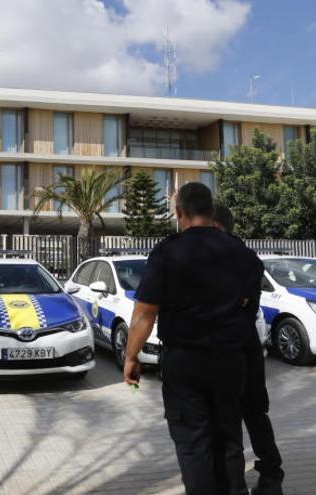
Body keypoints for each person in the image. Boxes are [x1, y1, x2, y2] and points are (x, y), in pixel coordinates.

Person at [124, 183, 262, 495]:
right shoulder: (242, 252)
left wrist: (131, 357)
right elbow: (248, 304)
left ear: (179, 212)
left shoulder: (168, 251)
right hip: (230, 360)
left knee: (194, 443)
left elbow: (144, 314)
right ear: (212, 212)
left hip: (186, 362)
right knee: (229, 438)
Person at [212, 204, 284, 495]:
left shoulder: (221, 259)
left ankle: (236, 485)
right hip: (248, 345)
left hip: (228, 349)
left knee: (230, 421)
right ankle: (271, 477)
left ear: (215, 226)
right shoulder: (249, 257)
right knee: (255, 414)